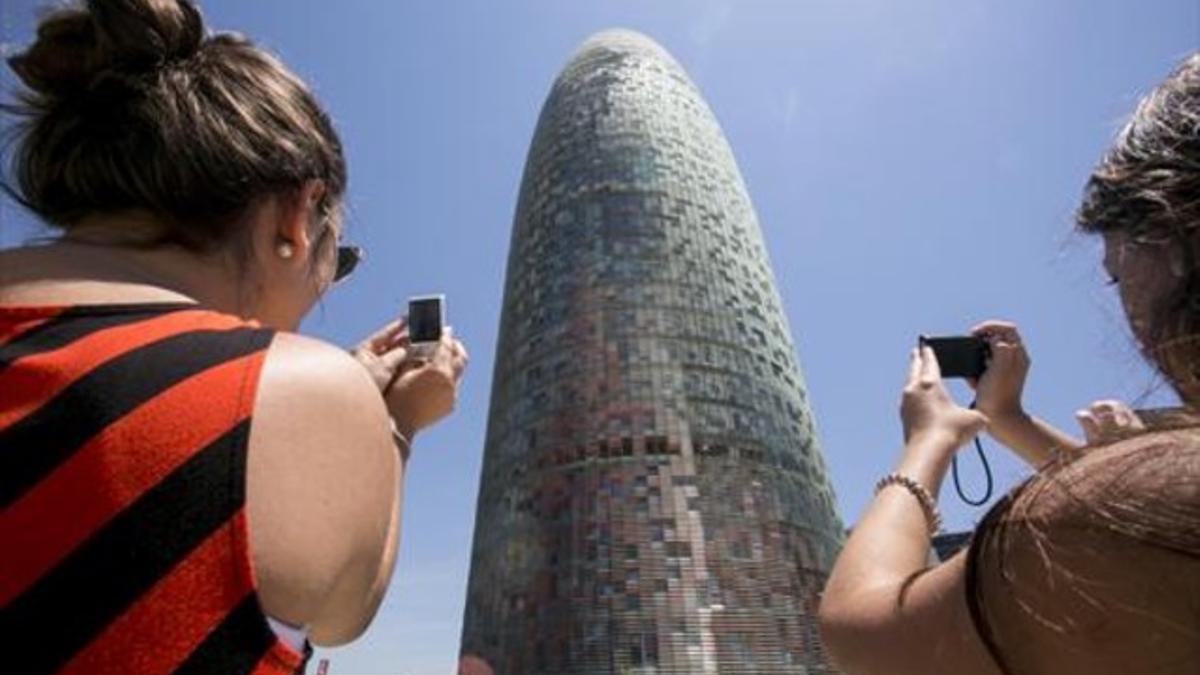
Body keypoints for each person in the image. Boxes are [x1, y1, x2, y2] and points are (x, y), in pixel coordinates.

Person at [0, 1, 468, 673]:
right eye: (340, 260)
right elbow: (344, 611)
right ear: (296, 219)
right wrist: (391, 422)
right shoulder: (306, 399)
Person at [818, 53, 1200, 674]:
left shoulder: (1140, 522)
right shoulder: (1157, 511)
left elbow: (866, 635)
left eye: (1115, 275)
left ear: (1178, 237)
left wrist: (929, 440)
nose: (1125, 302)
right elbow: (1137, 511)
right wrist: (1006, 416)